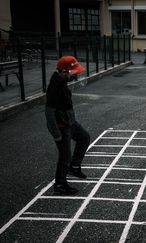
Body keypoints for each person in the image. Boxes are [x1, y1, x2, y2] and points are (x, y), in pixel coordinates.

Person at [45, 56, 90, 195]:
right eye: (73, 72)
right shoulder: (54, 87)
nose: (76, 74)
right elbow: (49, 112)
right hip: (61, 126)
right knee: (65, 157)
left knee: (84, 138)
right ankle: (60, 185)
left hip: (70, 122)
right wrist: (56, 134)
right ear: (64, 71)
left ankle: (74, 167)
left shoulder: (62, 80)